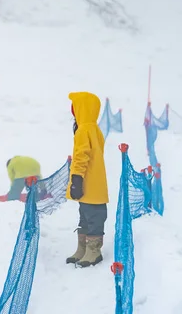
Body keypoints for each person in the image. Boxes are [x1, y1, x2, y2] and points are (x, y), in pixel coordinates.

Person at [66, 91, 108, 268]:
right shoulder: (94, 129)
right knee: (85, 215)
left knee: (93, 216)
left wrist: (76, 178)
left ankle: (94, 251)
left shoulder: (84, 130)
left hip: (87, 181)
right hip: (93, 184)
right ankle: (82, 249)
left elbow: (81, 156)